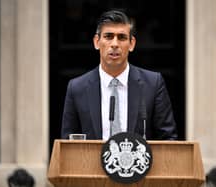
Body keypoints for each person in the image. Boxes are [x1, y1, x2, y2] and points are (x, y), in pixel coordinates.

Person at [61, 10, 177, 140]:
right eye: (108, 36)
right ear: (96, 42)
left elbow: (169, 139)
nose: (115, 44)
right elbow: (68, 144)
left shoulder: (153, 84)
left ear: (132, 44)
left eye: (122, 37)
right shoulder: (77, 88)